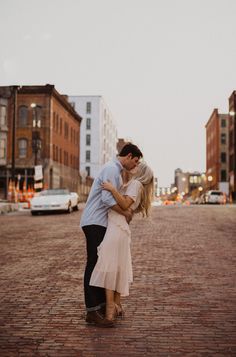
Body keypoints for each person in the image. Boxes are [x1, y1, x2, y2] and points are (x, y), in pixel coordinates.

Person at [80, 143, 143, 327]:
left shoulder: (115, 170)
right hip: (94, 222)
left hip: (100, 222)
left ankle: (98, 307)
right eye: (136, 161)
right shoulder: (111, 169)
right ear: (129, 156)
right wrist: (125, 212)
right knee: (94, 264)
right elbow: (107, 199)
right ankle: (92, 311)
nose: (135, 166)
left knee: (101, 263)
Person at [89, 162, 154, 324]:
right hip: (119, 227)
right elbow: (128, 209)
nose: (136, 166)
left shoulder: (136, 184)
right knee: (117, 267)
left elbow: (125, 204)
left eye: (139, 165)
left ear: (142, 172)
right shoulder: (136, 185)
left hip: (116, 228)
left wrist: (112, 189)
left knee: (108, 266)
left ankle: (110, 309)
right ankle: (117, 305)